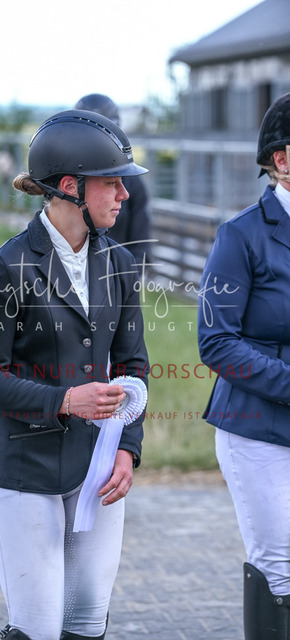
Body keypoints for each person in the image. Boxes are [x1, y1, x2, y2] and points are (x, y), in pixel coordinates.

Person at [0, 109, 149, 640]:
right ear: (70, 187)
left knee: (88, 622)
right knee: (39, 627)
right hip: (26, 470)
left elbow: (133, 367)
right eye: (112, 183)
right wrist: (65, 400)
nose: (125, 195)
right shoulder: (7, 268)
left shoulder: (120, 264)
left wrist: (127, 448)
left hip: (98, 469)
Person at [198, 92, 290, 640]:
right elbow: (216, 342)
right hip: (257, 428)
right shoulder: (240, 236)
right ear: (282, 159)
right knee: (282, 568)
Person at [74, 94, 151, 277]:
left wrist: (126, 280)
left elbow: (141, 242)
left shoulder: (132, 184)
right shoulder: (64, 180)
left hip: (115, 274)